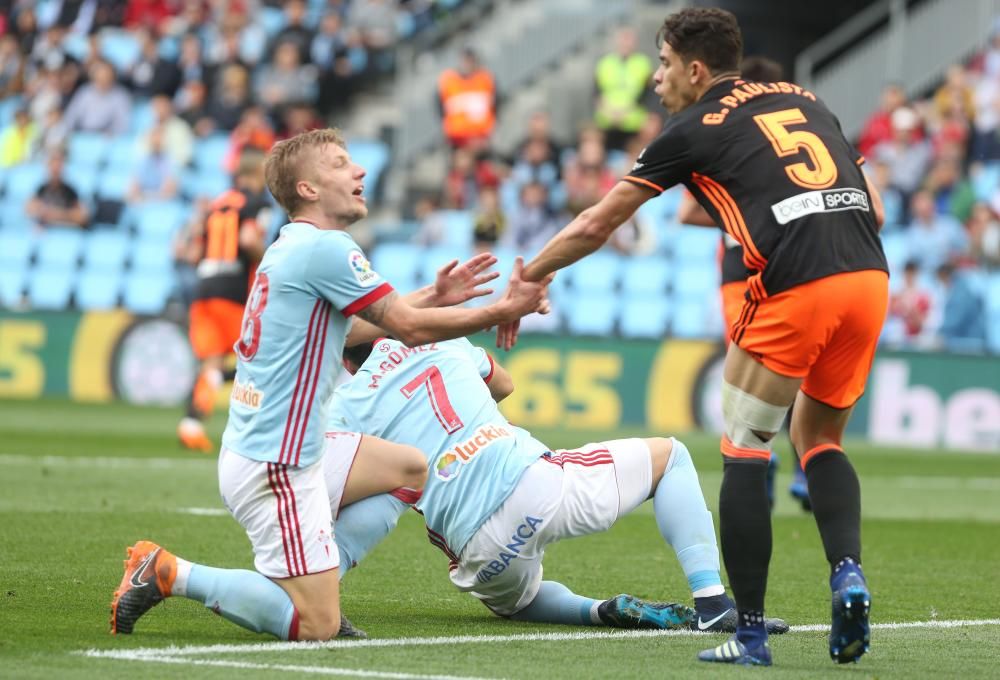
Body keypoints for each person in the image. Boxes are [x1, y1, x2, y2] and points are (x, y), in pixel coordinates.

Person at [497, 8, 888, 667]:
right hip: (869, 276)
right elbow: (872, 203)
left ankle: (752, 634)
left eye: (664, 64)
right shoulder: (804, 96)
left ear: (696, 69)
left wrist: (528, 276)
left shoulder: (691, 127)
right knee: (818, 439)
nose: (656, 79)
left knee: (745, 449)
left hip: (795, 285)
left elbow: (598, 223)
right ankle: (847, 571)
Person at [110, 128, 551, 641]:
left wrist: (435, 293)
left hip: (288, 447)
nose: (359, 171)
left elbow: (358, 328)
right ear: (309, 190)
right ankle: (166, 571)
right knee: (314, 628)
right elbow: (406, 328)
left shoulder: (296, 246)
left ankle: (313, 581)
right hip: (275, 464)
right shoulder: (326, 249)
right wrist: (502, 309)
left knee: (409, 467)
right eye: (341, 164)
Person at [326, 337, 788, 637]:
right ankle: (712, 603)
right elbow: (502, 383)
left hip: (476, 550)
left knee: (517, 604)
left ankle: (598, 611)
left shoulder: (343, 405)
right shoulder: (439, 337)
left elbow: (344, 477)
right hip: (532, 484)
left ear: (346, 360)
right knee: (671, 457)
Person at [674, 55, 804, 512]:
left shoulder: (733, 140)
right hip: (776, 266)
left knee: (756, 364)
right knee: (787, 361)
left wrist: (740, 209)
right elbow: (688, 213)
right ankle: (789, 459)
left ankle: (764, 457)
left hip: (746, 269)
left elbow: (688, 212)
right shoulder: (781, 141)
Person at [175, 149, 270, 453]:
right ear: (257, 175)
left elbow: (191, 254)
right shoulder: (257, 203)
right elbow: (248, 240)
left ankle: (191, 425)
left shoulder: (215, 206)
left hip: (204, 287)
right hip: (233, 290)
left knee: (213, 360)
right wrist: (275, 263)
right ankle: (260, 432)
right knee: (260, 360)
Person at [593, 27, 653, 151]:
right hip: (607, 123)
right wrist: (610, 112)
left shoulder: (643, 63)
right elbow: (597, 92)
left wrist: (623, 113)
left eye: (629, 40)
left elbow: (646, 95)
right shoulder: (605, 63)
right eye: (623, 39)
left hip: (633, 125)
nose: (626, 43)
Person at [437, 46, 497, 148]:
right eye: (465, 60)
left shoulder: (485, 79)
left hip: (482, 138)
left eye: (470, 60)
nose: (467, 64)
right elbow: (441, 108)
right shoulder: (449, 81)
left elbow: (495, 104)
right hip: (457, 139)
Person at [25, 148, 88, 228]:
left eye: (58, 166)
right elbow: (29, 209)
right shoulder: (42, 188)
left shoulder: (70, 191)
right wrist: (41, 211)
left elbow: (82, 216)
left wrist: (58, 214)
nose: (55, 169)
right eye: (52, 166)